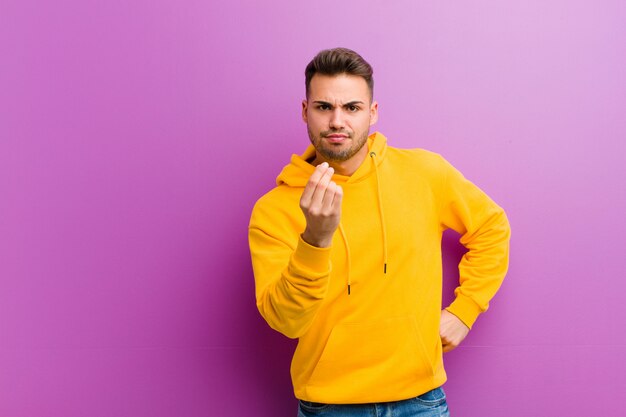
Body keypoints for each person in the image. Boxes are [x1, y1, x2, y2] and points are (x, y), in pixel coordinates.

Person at [248, 47, 510, 417]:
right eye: (324, 107)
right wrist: (315, 240)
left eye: (352, 108)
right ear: (306, 111)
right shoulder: (274, 209)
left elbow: (491, 226)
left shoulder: (424, 173)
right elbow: (286, 321)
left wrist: (465, 309)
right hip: (329, 405)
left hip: (420, 400)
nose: (338, 120)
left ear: (372, 113)